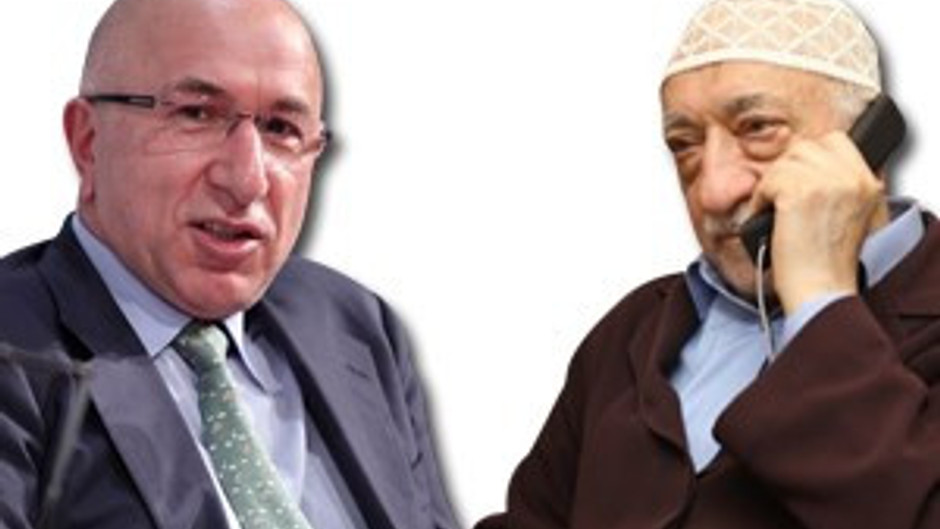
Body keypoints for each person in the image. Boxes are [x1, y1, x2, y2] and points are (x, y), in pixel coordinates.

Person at [477, 0, 940, 527]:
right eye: (684, 144)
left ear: (868, 141)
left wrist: (819, 298)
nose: (713, 192)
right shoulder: (632, 329)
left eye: (758, 127)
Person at [0, 0, 458, 528]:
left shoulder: (356, 326)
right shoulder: (16, 348)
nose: (247, 179)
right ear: (88, 142)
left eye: (281, 128)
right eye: (196, 114)